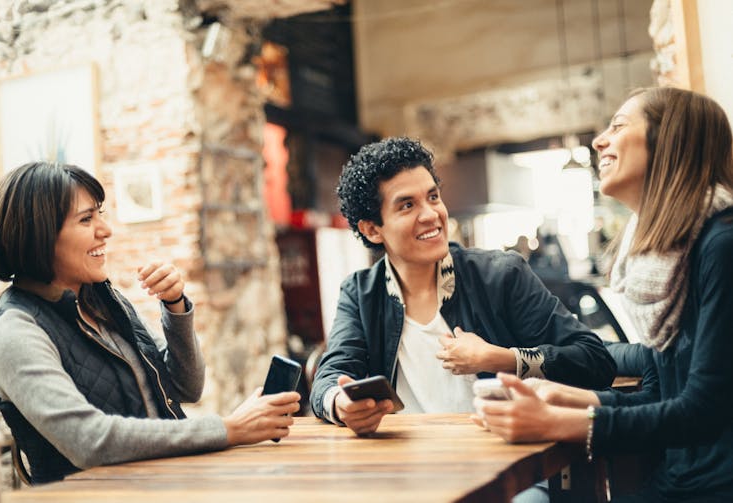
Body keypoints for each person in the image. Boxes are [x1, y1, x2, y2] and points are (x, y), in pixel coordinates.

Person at [476, 87, 733, 502]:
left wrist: (555, 422)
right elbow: (658, 385)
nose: (599, 140)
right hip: (684, 479)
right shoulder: (672, 255)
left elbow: (702, 412)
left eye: (617, 126)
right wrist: (567, 397)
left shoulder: (720, 245)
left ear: (668, 140)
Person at [0, 162, 301, 484]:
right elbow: (89, 440)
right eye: (86, 219)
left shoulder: (105, 302)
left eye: (100, 215)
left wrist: (175, 306)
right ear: (40, 236)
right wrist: (229, 429)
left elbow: (186, 386)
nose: (105, 230)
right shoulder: (12, 331)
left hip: (162, 483)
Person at [310, 136, 615, 437]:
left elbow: (595, 361)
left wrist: (500, 358)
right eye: (407, 205)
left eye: (433, 197)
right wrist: (340, 404)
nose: (431, 215)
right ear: (373, 229)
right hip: (405, 469)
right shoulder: (361, 293)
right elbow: (328, 378)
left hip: (508, 460)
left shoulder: (500, 275)